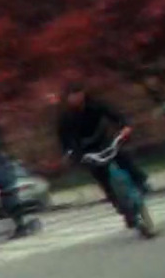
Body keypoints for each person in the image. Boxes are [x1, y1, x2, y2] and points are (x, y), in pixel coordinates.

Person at [56, 82, 150, 226]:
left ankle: (141, 181)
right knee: (102, 177)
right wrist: (71, 154)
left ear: (83, 94)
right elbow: (65, 140)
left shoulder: (96, 105)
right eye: (72, 96)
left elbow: (115, 115)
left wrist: (125, 127)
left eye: (78, 94)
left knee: (122, 158)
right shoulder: (65, 118)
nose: (76, 98)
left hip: (103, 141)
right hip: (85, 150)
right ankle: (122, 208)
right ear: (68, 98)